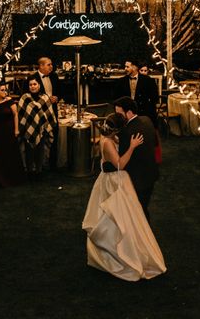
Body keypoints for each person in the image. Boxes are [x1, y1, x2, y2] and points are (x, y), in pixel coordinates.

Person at [82, 113, 166, 281]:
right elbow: (120, 164)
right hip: (114, 183)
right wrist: (132, 146)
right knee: (117, 219)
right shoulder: (107, 143)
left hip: (116, 180)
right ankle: (120, 255)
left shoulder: (108, 138)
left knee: (126, 218)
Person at [113, 96, 158, 219]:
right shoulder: (147, 120)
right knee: (143, 208)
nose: (117, 117)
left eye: (119, 114)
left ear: (129, 112)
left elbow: (121, 160)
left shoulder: (126, 132)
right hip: (151, 174)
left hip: (137, 179)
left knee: (137, 213)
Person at [0, 82, 26, 187]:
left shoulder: (9, 101)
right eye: (2, 90)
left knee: (10, 153)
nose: (5, 92)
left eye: (6, 90)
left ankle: (13, 178)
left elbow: (15, 114)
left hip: (9, 131)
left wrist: (16, 129)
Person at [17, 77, 56, 180]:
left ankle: (39, 170)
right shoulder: (24, 98)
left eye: (35, 84)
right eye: (30, 85)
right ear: (28, 86)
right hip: (28, 128)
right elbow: (20, 114)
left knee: (40, 150)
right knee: (29, 150)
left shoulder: (44, 98)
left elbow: (48, 114)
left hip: (42, 129)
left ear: (39, 85)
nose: (33, 87)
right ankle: (30, 171)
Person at [33, 57, 61, 171]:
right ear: (41, 66)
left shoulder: (54, 76)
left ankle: (53, 164)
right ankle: (39, 165)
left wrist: (57, 97)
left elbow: (61, 90)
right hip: (39, 113)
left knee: (55, 135)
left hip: (53, 111)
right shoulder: (32, 78)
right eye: (49, 64)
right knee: (40, 138)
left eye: (51, 64)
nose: (51, 66)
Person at [115, 60, 159, 126]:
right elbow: (117, 99)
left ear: (134, 67)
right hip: (127, 113)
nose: (125, 69)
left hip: (143, 112)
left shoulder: (148, 80)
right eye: (125, 67)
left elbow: (155, 98)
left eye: (127, 67)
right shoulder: (121, 81)